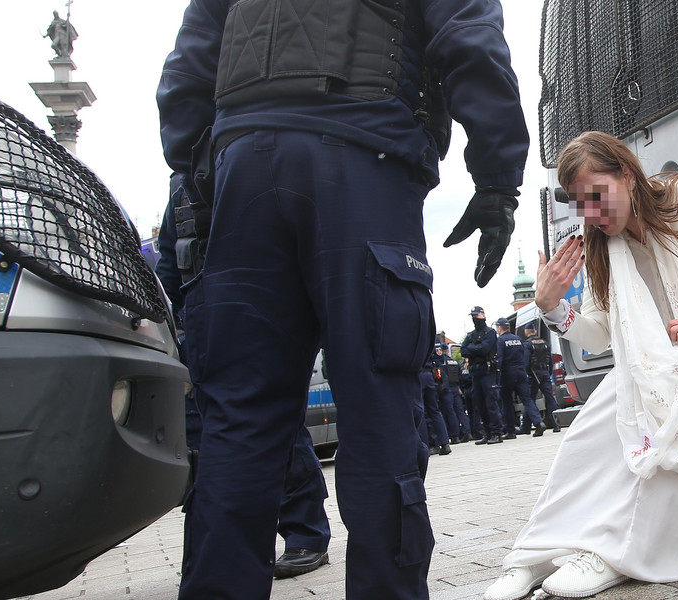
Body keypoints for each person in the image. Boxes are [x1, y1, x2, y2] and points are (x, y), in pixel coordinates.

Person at [155, 0, 529, 597]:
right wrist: (498, 176)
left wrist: (201, 168)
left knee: (237, 421)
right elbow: (469, 35)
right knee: (380, 414)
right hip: (366, 154)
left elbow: (189, 63)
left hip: (242, 164)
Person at [483, 131, 678, 600]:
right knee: (588, 434)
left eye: (596, 195)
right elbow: (599, 331)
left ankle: (610, 556)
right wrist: (552, 309)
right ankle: (538, 553)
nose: (590, 213)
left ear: (626, 175)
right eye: (579, 203)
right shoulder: (601, 249)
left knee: (662, 435)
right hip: (649, 369)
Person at [154, 182, 331, 580]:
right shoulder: (183, 185)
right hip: (201, 321)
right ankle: (221, 547)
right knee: (210, 441)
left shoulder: (253, 155)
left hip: (264, 310)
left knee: (281, 429)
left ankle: (306, 533)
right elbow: (171, 257)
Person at [462, 307, 505, 445]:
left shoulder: (490, 332)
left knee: (491, 403)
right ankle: (487, 433)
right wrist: (476, 349)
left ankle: (497, 433)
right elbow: (463, 350)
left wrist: (472, 349)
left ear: (483, 315)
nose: (475, 318)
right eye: (473, 316)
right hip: (475, 374)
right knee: (480, 405)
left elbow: (485, 348)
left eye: (477, 315)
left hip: (488, 372)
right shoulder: (470, 335)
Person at [495, 317, 544, 436]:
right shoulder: (518, 339)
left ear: (499, 328)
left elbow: (499, 359)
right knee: (527, 400)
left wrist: (497, 374)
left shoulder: (501, 341)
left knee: (507, 402)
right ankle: (538, 423)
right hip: (521, 372)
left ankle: (510, 430)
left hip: (507, 374)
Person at [521, 322, 560, 433]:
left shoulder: (528, 345)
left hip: (533, 374)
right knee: (550, 399)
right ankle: (556, 424)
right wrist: (548, 372)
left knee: (530, 400)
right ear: (535, 331)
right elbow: (551, 361)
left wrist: (527, 374)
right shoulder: (546, 343)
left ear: (526, 332)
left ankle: (527, 427)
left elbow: (526, 362)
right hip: (545, 373)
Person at [435, 342, 472, 444]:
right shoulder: (454, 361)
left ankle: (455, 436)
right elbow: (460, 375)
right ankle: (466, 432)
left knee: (450, 412)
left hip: (447, 389)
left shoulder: (442, 362)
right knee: (460, 411)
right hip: (456, 387)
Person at [420, 345, 453, 456]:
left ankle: (427, 445)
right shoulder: (432, 336)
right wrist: (438, 379)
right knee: (435, 411)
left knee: (421, 412)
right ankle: (444, 443)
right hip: (430, 375)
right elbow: (439, 360)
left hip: (418, 375)